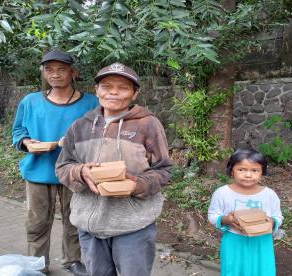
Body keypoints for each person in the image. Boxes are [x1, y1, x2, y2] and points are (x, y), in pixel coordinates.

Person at [55, 62, 173, 276]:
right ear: (97, 90)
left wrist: (137, 184)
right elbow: (63, 167)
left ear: (135, 93)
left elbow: (164, 170)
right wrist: (81, 172)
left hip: (133, 225)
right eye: (107, 86)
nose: (114, 92)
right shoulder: (80, 127)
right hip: (89, 225)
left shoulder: (148, 125)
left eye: (123, 87)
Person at [12, 50, 98, 275]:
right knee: (37, 223)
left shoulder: (92, 102)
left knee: (75, 220)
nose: (55, 74)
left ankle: (73, 261)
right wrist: (26, 142)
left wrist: (77, 143)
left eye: (61, 69)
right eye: (49, 69)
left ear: (74, 73)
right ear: (43, 73)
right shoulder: (30, 101)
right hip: (39, 171)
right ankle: (37, 265)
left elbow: (102, 133)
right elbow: (19, 130)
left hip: (75, 173)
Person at [208, 149, 283, 276]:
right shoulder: (222, 193)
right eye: (241, 170)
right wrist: (227, 220)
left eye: (255, 170)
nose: (248, 175)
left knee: (262, 271)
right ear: (232, 170)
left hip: (262, 243)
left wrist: (272, 222)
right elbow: (212, 215)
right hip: (234, 241)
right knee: (234, 271)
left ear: (262, 172)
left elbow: (278, 216)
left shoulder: (269, 195)